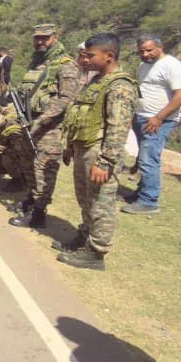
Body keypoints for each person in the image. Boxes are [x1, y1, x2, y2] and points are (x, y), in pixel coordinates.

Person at [57, 33, 137, 271]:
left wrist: (106, 161)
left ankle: (96, 252)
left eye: (92, 55)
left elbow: (118, 126)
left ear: (109, 56)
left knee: (100, 203)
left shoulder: (120, 85)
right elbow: (80, 113)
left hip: (99, 151)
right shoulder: (97, 80)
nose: (87, 59)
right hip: (84, 147)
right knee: (85, 199)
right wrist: (70, 145)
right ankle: (85, 237)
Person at [8, 23, 81, 229]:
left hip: (51, 127)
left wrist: (41, 121)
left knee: (43, 168)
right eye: (37, 38)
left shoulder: (66, 65)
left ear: (54, 37)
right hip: (30, 122)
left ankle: (39, 214)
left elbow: (66, 98)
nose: (40, 41)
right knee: (28, 164)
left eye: (45, 38)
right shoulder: (38, 61)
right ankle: (33, 199)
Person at [123, 34, 181, 215]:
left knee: (148, 158)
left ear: (160, 47)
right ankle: (141, 192)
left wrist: (159, 117)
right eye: (141, 51)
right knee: (143, 156)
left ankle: (149, 201)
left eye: (149, 50)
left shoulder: (173, 66)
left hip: (159, 121)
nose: (145, 54)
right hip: (142, 117)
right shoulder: (144, 65)